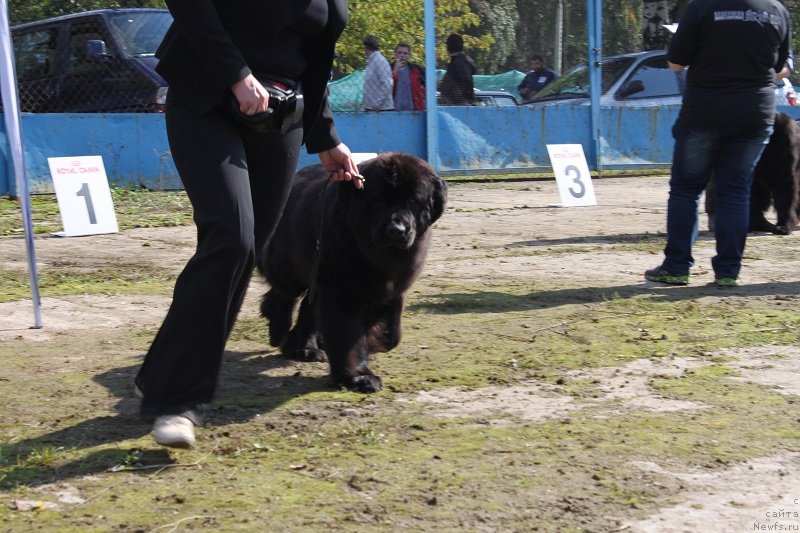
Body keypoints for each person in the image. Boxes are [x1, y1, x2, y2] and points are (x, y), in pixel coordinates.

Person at [134, 0, 362, 449]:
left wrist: (327, 139)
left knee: (247, 250)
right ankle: (178, 403)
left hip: (280, 119)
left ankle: (161, 373)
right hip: (207, 99)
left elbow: (313, 68)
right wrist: (237, 75)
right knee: (231, 238)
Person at [645, 0, 790, 288]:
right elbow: (780, 68)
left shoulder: (702, 7)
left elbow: (676, 63)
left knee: (686, 190)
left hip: (705, 110)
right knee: (735, 192)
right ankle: (727, 273)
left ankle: (676, 267)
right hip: (755, 112)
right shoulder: (777, 10)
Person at [439, 33, 476, 106]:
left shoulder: (458, 63)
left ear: (448, 47)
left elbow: (465, 81)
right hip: (461, 104)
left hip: (459, 105)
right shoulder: (463, 62)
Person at [361, 34, 394, 111]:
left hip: (383, 110)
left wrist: (376, 105)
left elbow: (387, 85)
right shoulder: (371, 62)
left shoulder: (380, 61)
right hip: (372, 109)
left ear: (366, 47)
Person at [391, 42, 426, 111]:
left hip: (413, 110)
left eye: (405, 53)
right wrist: (395, 71)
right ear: (395, 54)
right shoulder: (388, 68)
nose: (402, 55)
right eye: (399, 53)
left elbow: (425, 86)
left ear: (409, 55)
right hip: (393, 111)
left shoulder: (416, 69)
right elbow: (387, 88)